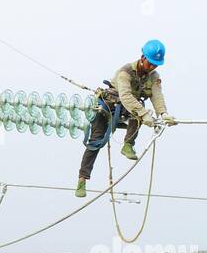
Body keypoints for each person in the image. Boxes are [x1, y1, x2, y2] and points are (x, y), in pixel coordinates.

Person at [76, 40, 178, 197]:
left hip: (130, 107)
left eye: (155, 64)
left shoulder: (154, 77)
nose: (152, 67)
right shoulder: (126, 72)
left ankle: (128, 144)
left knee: (139, 109)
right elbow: (125, 96)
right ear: (142, 57)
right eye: (150, 63)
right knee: (95, 141)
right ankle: (82, 180)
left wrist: (163, 114)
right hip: (109, 105)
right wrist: (143, 114)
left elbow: (157, 95)